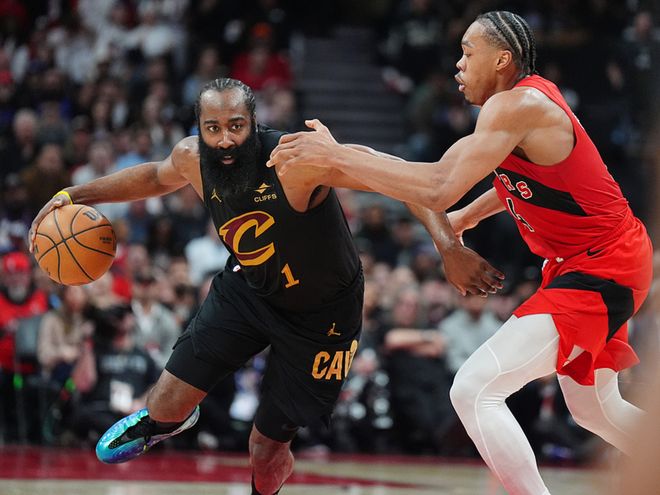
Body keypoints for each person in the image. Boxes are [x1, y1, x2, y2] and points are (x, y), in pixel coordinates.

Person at [29, 78, 502, 495]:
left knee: (265, 449)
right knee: (164, 405)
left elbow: (401, 178)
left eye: (236, 126)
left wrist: (448, 245)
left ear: (254, 122)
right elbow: (154, 176)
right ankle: (169, 422)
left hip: (323, 316)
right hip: (250, 289)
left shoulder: (296, 160)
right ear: (199, 127)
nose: (225, 139)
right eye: (213, 128)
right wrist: (73, 194)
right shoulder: (192, 158)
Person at [268, 12, 653, 495]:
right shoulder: (518, 107)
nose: (458, 64)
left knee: (474, 388)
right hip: (596, 260)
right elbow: (526, 181)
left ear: (502, 60)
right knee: (595, 409)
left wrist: (335, 155)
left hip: (603, 265)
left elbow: (437, 186)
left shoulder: (517, 105)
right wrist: (466, 217)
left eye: (468, 53)